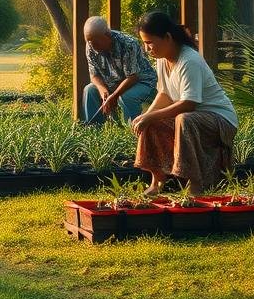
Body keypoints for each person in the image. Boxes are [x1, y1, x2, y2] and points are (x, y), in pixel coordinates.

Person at [130, 11, 237, 195]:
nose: (147, 48)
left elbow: (189, 104)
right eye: (144, 43)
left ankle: (195, 185)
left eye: (149, 42)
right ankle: (157, 183)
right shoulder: (162, 60)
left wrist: (151, 116)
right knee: (151, 121)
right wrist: (147, 116)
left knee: (184, 119)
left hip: (221, 121)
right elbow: (164, 94)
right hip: (193, 117)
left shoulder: (190, 60)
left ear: (167, 37)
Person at [81, 15, 158, 126]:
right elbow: (94, 75)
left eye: (95, 42)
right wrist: (103, 90)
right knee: (89, 90)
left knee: (126, 96)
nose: (92, 46)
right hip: (114, 83)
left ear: (107, 35)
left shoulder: (128, 44)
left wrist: (114, 95)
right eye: (89, 42)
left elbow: (133, 77)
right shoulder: (90, 45)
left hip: (141, 81)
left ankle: (132, 130)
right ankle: (93, 129)